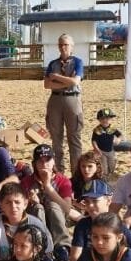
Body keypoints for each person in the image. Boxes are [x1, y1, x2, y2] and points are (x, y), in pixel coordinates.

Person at [69, 179, 131, 261]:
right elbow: (75, 258)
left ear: (108, 201)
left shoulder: (116, 225)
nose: (90, 205)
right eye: (87, 202)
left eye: (95, 200)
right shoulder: (83, 225)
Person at [20, 144, 74, 261]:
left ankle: (62, 248)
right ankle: (42, 246)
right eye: (40, 161)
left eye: (48, 160)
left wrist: (48, 186)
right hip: (36, 220)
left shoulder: (63, 180)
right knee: (38, 208)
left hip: (58, 219)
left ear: (53, 161)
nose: (44, 164)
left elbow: (67, 208)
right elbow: (20, 210)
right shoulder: (27, 182)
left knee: (54, 206)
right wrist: (29, 201)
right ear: (34, 163)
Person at [44, 33, 85, 174]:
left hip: (72, 100)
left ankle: (76, 174)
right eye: (60, 44)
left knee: (74, 138)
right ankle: (59, 172)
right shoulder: (53, 64)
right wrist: (66, 82)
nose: (63, 47)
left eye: (66, 44)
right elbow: (47, 85)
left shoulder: (78, 62)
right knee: (56, 138)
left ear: (72, 46)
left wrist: (56, 78)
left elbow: (75, 82)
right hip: (55, 100)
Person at [91, 108, 121, 179]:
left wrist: (118, 139)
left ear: (110, 119)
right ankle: (105, 177)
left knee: (112, 164)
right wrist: (96, 148)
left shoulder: (112, 128)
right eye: (102, 119)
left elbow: (120, 135)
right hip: (101, 151)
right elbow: (93, 140)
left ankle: (111, 174)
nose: (105, 120)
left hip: (110, 151)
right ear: (99, 119)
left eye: (107, 118)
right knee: (104, 166)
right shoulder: (97, 130)